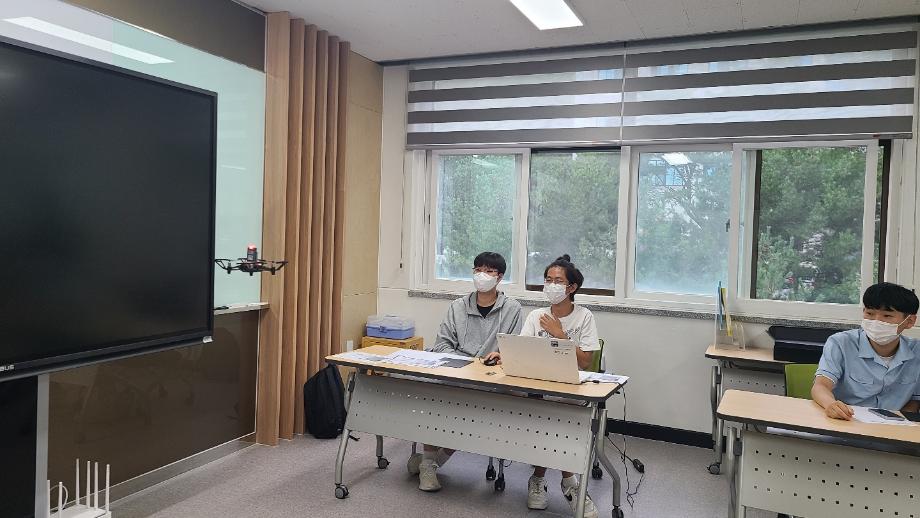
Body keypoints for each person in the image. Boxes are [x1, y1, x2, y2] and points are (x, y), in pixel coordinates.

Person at [484, 254, 601, 518]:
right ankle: (568, 483)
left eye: (558, 281)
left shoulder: (584, 317)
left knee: (554, 418)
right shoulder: (536, 315)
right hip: (538, 387)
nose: (551, 285)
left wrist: (560, 335)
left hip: (570, 389)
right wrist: (504, 355)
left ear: (572, 287)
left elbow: (586, 362)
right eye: (548, 280)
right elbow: (523, 350)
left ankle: (540, 478)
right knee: (545, 416)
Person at [407, 251, 523, 492]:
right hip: (456, 375)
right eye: (478, 270)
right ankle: (428, 464)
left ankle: (430, 463)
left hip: (490, 382)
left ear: (500, 277)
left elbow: (512, 352)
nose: (482, 275)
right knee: (435, 404)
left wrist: (494, 360)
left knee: (470, 421)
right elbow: (442, 345)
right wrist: (469, 364)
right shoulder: (457, 307)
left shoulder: (512, 309)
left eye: (489, 271)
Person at [812, 282, 920, 420]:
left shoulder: (917, 351)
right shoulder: (841, 342)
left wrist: (901, 422)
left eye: (887, 316)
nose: (876, 321)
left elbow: (915, 401)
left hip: (895, 425)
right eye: (870, 313)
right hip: (846, 420)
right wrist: (831, 405)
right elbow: (821, 385)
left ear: (909, 321)